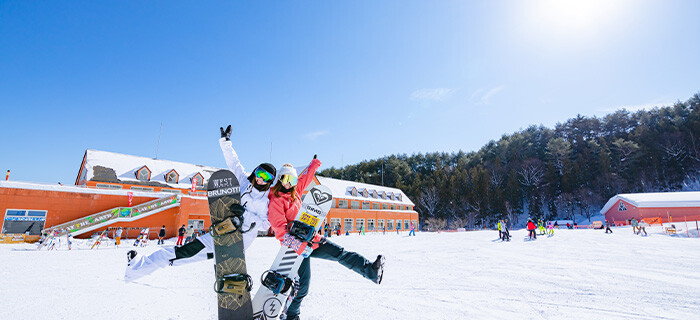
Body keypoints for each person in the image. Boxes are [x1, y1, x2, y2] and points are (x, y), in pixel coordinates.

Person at [125, 125, 276, 282]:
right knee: (181, 252)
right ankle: (137, 267)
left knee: (185, 254)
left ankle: (232, 281)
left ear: (270, 181)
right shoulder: (244, 182)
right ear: (255, 171)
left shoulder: (266, 200)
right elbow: (234, 163)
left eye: (266, 177)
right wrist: (225, 141)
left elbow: (265, 225)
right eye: (259, 173)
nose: (260, 179)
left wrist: (245, 216)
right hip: (221, 232)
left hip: (237, 243)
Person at [267, 158, 385, 320]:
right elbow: (280, 231)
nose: (289, 183)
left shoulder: (295, 194)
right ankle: (290, 316)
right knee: (302, 287)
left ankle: (371, 271)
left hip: (311, 239)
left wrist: (314, 165)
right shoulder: (276, 200)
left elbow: (305, 179)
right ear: (280, 179)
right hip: (293, 249)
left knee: (340, 253)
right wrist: (299, 247)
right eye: (285, 179)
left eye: (292, 180)